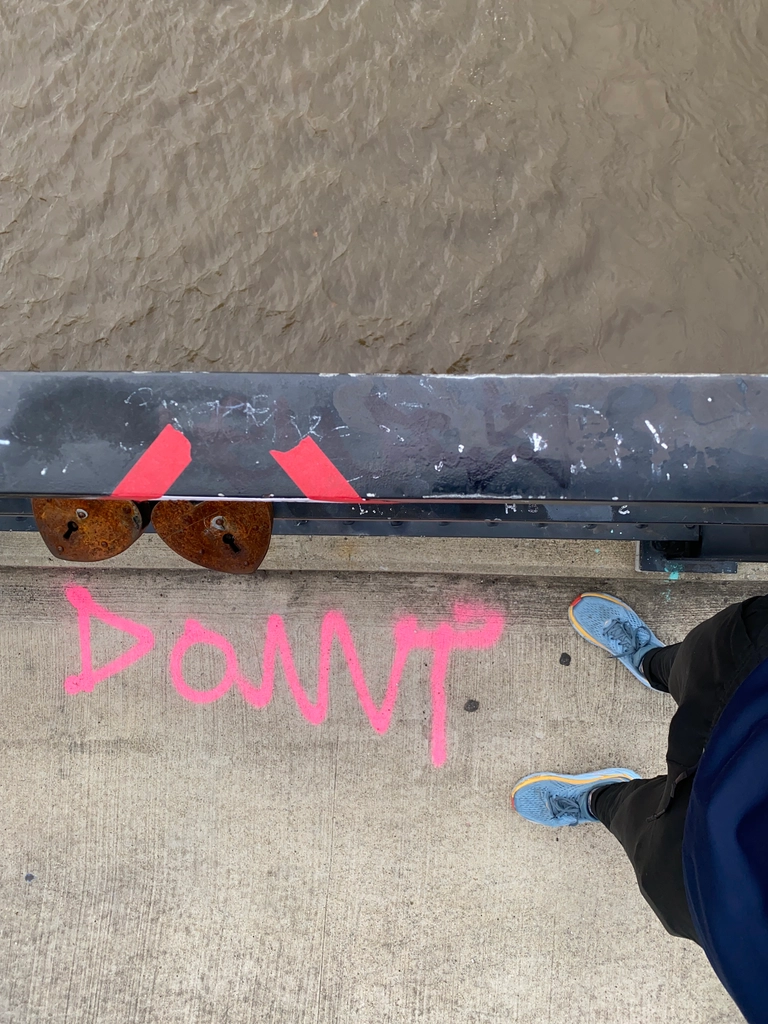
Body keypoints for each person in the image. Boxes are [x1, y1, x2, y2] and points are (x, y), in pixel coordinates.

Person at [512, 592, 768, 1023]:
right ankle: (653, 664)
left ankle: (603, 799)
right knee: (715, 658)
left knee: (657, 850)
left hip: (741, 898)